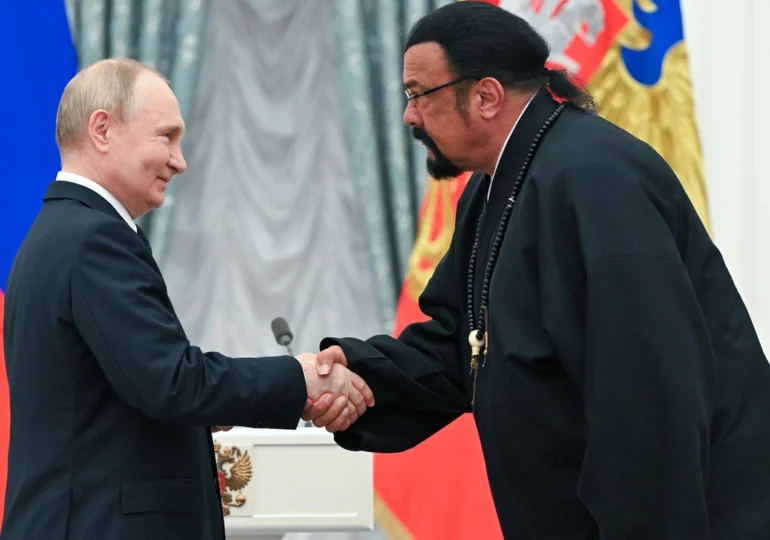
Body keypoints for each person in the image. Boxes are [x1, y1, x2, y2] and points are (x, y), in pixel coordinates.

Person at [302, 2, 770, 539]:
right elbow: (460, 346)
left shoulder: (594, 178)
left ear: (486, 95)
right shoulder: (494, 185)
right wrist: (353, 375)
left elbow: (648, 396)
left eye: (418, 94)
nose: (409, 116)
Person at [0, 58, 374, 540]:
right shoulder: (94, 239)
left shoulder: (60, 232)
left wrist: (210, 411)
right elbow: (171, 383)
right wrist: (299, 377)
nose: (180, 161)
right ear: (102, 130)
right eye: (166, 136)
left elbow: (116, 393)